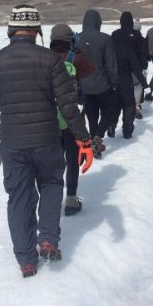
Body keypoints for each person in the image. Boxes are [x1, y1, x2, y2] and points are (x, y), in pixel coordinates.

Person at [0, 4, 93, 278]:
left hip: (13, 144)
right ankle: (48, 240)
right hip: (47, 139)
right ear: (36, 31)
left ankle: (26, 260)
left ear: (11, 30)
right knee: (52, 184)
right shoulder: (51, 60)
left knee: (19, 197)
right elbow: (68, 106)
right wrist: (84, 140)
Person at [50, 23, 95, 216]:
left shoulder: (45, 58)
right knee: (72, 158)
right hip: (71, 118)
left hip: (49, 120)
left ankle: (50, 197)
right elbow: (90, 71)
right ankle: (70, 198)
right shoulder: (76, 58)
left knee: (53, 162)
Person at [77, 9, 119, 158]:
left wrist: (77, 86)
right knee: (109, 112)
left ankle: (94, 140)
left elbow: (73, 64)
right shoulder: (105, 39)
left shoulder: (76, 39)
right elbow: (111, 64)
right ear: (98, 22)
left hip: (85, 86)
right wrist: (114, 83)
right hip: (103, 85)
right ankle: (97, 137)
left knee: (92, 115)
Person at [111, 12, 149, 138]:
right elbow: (140, 52)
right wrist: (143, 73)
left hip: (114, 74)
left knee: (116, 103)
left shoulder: (115, 34)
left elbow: (109, 53)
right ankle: (127, 130)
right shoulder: (135, 36)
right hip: (130, 72)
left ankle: (111, 124)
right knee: (129, 104)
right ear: (131, 21)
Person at [132, 18, 148, 119]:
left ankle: (131, 105)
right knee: (138, 87)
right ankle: (136, 105)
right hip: (139, 66)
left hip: (128, 66)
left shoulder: (127, 39)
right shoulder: (142, 40)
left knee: (131, 86)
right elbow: (145, 54)